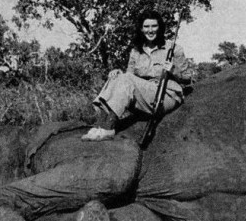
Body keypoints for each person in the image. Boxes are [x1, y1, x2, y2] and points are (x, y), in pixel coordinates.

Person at [82, 10, 191, 141]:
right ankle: (100, 124)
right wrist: (118, 72)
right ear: (141, 29)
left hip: (166, 95)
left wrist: (173, 70)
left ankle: (107, 128)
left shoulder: (174, 49)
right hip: (144, 96)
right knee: (116, 76)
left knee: (125, 78)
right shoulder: (135, 51)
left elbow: (187, 78)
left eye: (154, 26)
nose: (150, 30)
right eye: (146, 27)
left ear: (160, 27)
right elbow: (129, 76)